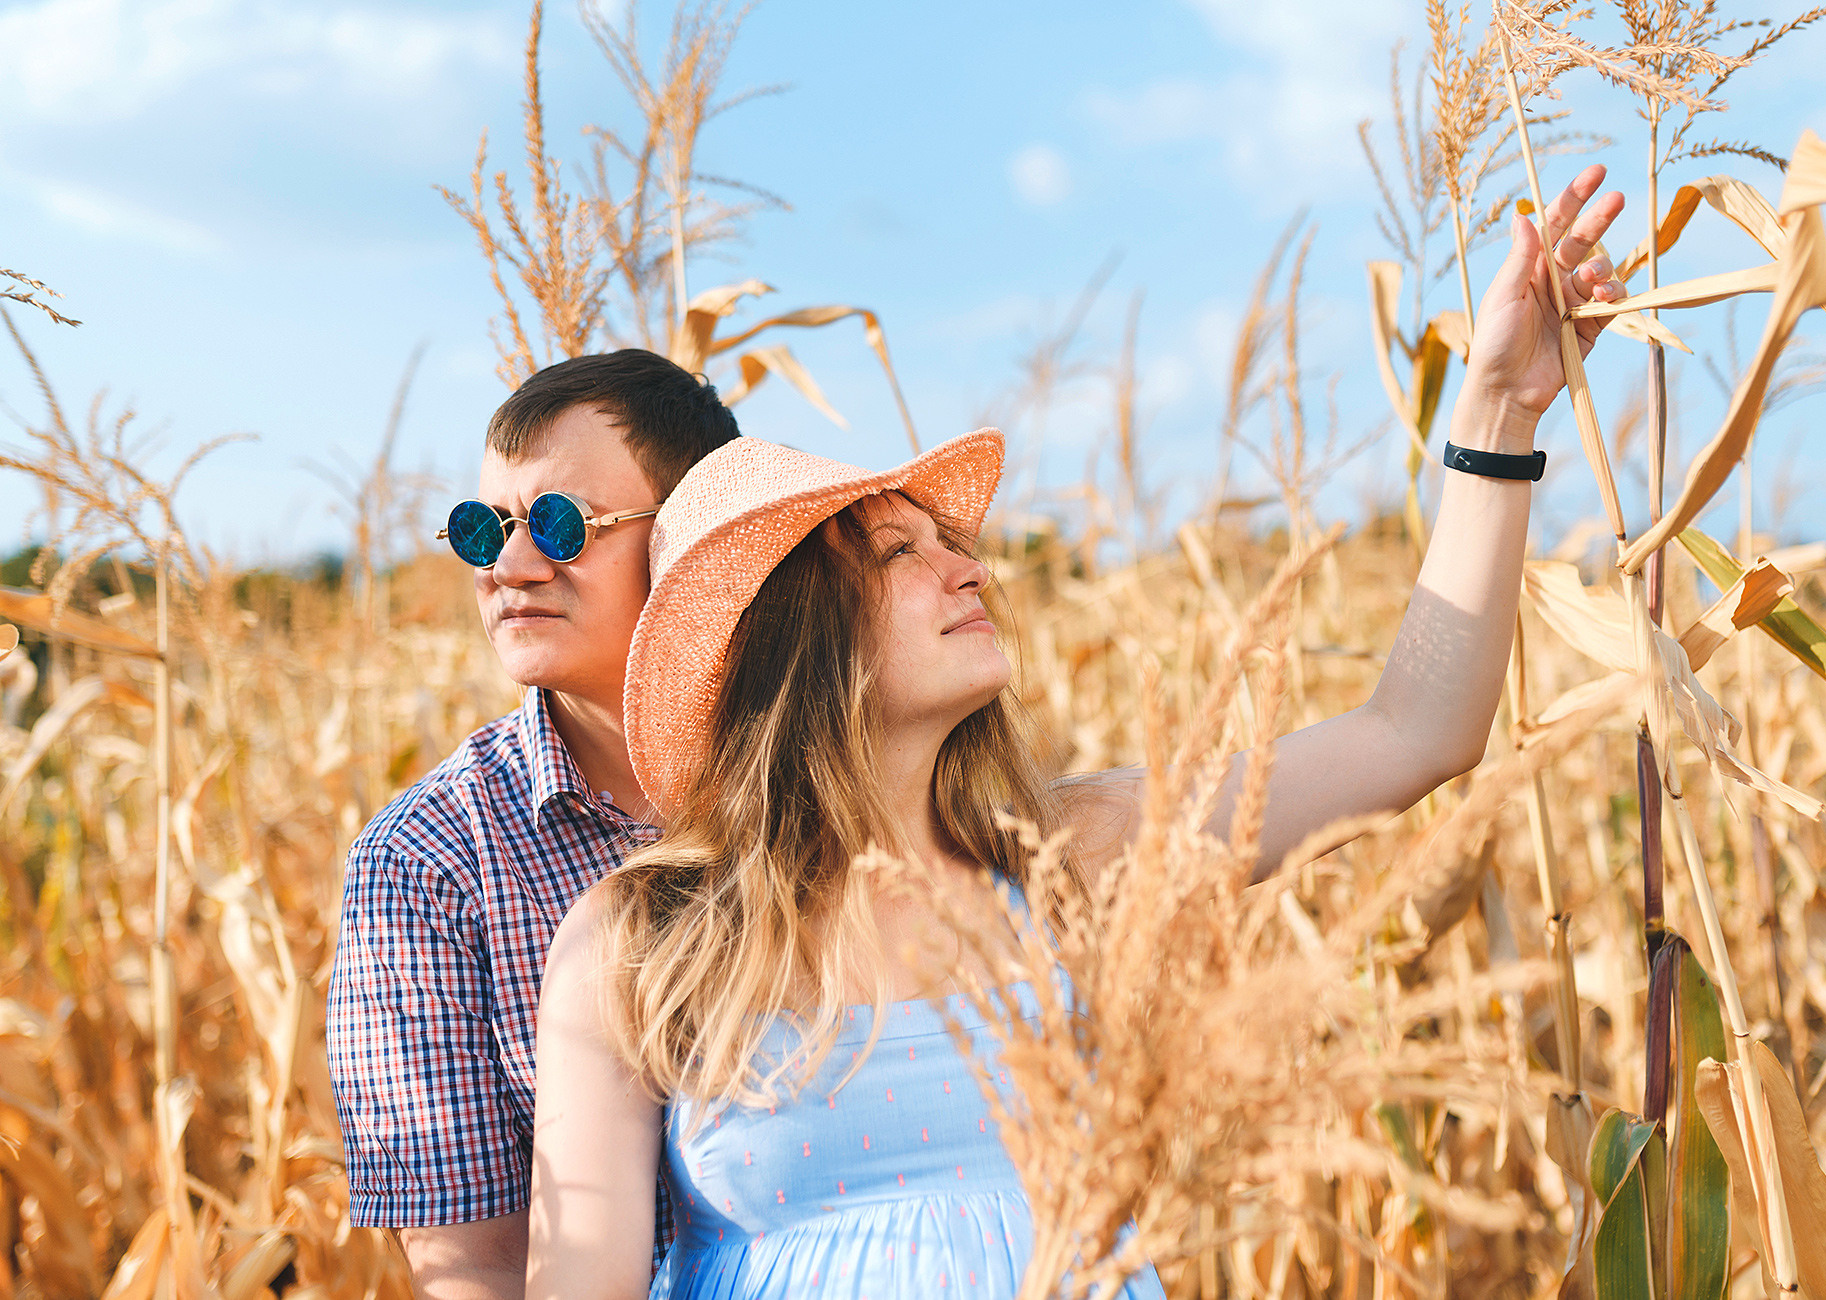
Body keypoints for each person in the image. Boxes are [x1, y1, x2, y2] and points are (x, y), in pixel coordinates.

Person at [526, 168, 1630, 1300]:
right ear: (797, 638)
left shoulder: (1064, 861)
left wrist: (1497, 409)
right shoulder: (641, 940)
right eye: (902, 552)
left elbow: (1414, 730)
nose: (971, 565)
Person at [327, 350, 739, 1300]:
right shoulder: (424, 867)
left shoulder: (835, 773)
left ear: (694, 537)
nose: (509, 568)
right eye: (483, 529)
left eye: (561, 524)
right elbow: (477, 1266)